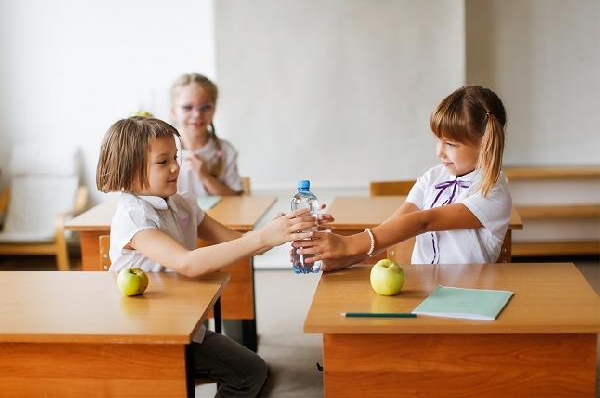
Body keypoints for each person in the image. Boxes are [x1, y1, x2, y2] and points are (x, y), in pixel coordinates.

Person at [96, 116, 317, 397]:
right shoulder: (133, 216)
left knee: (253, 371)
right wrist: (264, 237)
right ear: (127, 169)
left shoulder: (181, 201)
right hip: (148, 334)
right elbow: (188, 263)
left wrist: (282, 229)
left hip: (182, 322)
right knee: (249, 374)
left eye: (175, 157)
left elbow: (240, 243)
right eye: (163, 162)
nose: (176, 167)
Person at [296, 85, 512, 268]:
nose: (439, 152)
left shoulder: (492, 191)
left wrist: (347, 244)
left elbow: (423, 222)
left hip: (469, 294)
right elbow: (390, 229)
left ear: (484, 145)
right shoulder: (433, 177)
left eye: (450, 144)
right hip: (424, 288)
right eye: (439, 140)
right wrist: (340, 259)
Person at [170, 73, 242, 197]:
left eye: (205, 107)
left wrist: (205, 177)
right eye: (188, 107)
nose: (197, 114)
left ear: (214, 110)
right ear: (174, 112)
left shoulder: (225, 150)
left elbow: (235, 198)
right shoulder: (162, 151)